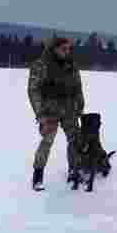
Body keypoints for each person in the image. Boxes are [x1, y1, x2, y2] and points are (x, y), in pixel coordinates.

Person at [28, 36, 85, 191]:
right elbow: (33, 91)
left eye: (68, 49)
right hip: (49, 111)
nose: (67, 52)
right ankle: (38, 175)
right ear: (54, 49)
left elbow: (78, 87)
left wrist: (80, 106)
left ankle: (74, 170)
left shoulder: (71, 65)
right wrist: (40, 114)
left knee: (75, 140)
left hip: (69, 110)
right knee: (47, 142)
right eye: (63, 49)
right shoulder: (41, 66)